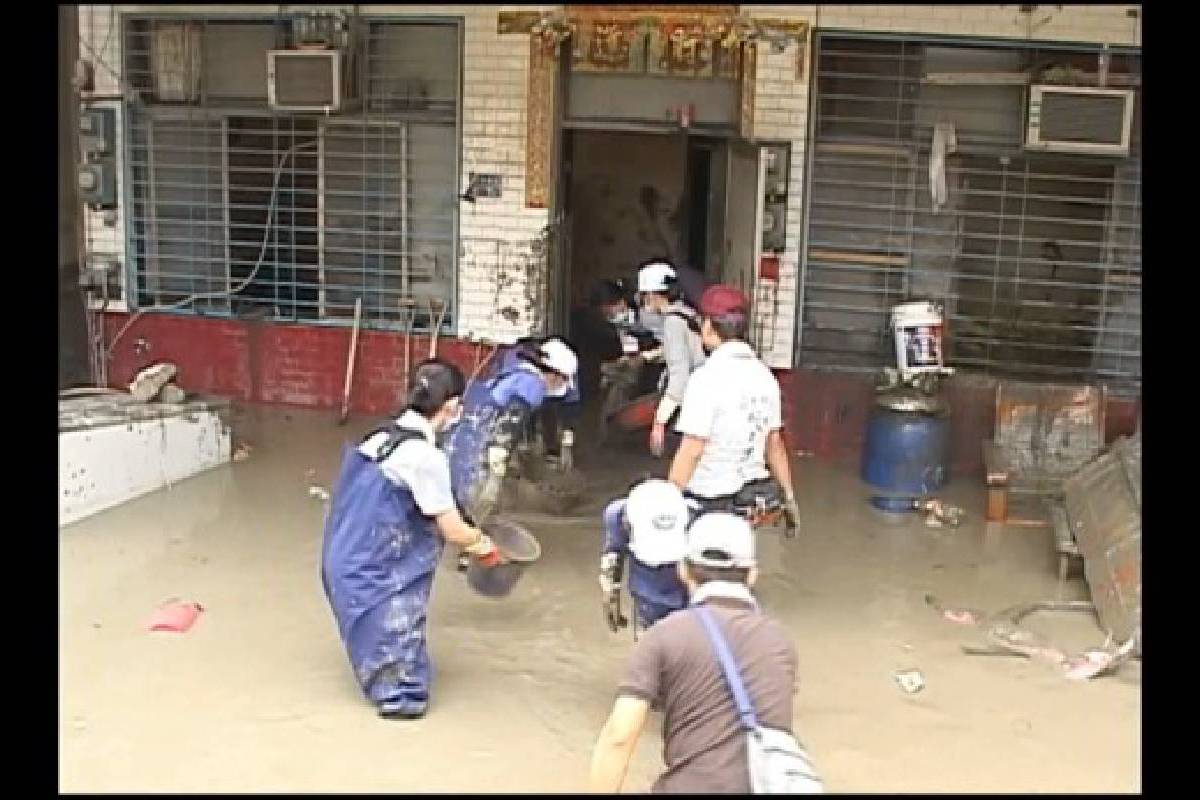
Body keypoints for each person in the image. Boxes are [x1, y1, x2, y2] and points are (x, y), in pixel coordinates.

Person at [320, 359, 501, 720]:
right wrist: (486, 548)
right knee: (403, 691)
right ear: (450, 406)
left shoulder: (381, 436)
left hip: (342, 557)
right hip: (376, 570)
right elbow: (452, 529)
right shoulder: (424, 457)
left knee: (379, 643)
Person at [589, 512, 800, 793]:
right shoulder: (780, 643)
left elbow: (619, 736)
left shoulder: (663, 636)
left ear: (683, 570)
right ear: (751, 574)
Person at [668, 284, 801, 533]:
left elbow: (692, 449)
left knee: (692, 569)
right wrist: (789, 497)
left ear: (707, 326)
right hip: (751, 500)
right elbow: (774, 443)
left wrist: (668, 502)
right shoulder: (765, 376)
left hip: (708, 499)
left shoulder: (706, 378)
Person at [444, 336, 579, 527]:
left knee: (457, 495)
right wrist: (498, 462)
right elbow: (512, 421)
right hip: (479, 434)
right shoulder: (534, 385)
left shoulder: (517, 368)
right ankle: (469, 544)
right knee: (479, 499)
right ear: (555, 374)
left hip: (466, 424)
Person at [599, 478, 697, 634]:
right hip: (649, 593)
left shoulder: (694, 515)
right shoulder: (617, 515)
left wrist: (611, 598)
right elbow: (612, 557)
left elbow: (612, 558)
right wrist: (610, 598)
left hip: (676, 589)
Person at [635, 260, 707, 458]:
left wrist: (659, 421)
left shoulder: (673, 323)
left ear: (652, 294)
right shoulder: (688, 313)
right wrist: (652, 355)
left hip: (696, 399)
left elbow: (679, 379)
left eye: (644, 296)